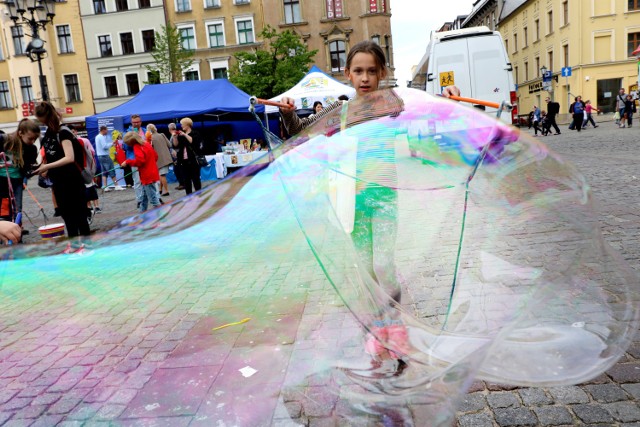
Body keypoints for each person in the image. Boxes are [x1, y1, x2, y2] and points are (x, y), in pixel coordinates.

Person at [280, 40, 460, 305]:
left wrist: (446, 94)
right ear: (348, 74)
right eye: (359, 71)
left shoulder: (394, 103)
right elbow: (300, 131)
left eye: (372, 71)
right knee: (366, 269)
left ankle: (394, 314)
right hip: (353, 203)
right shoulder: (340, 112)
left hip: (384, 198)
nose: (365, 78)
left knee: (384, 266)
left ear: (382, 74)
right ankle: (380, 323)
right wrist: (287, 113)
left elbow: (427, 109)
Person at [33, 101, 90, 238]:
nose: (38, 121)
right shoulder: (48, 134)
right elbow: (51, 156)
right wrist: (42, 167)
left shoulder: (63, 132)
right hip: (58, 183)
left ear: (45, 117)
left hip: (72, 181)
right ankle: (76, 249)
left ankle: (88, 249)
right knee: (68, 218)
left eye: (39, 118)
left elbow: (69, 157)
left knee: (80, 218)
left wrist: (47, 166)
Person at [0, 119, 40, 222]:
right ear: (20, 133)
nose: (32, 141)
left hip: (17, 181)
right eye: (30, 138)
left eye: (35, 139)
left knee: (17, 208)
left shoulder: (31, 149)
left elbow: (28, 167)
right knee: (4, 209)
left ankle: (17, 231)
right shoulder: (4, 140)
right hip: (2, 180)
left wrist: (34, 170)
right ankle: (6, 232)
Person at [118, 132, 160, 212]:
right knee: (144, 197)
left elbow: (140, 161)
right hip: (152, 172)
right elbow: (155, 156)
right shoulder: (147, 144)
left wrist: (128, 162)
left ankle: (162, 218)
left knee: (153, 199)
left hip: (147, 176)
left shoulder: (137, 146)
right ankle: (142, 215)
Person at [172, 118, 204, 195]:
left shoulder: (195, 133)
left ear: (187, 124)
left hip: (193, 160)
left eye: (182, 124)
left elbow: (193, 141)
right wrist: (175, 137)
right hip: (183, 161)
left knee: (196, 179)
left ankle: (199, 195)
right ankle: (189, 197)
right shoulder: (181, 135)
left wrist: (185, 134)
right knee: (186, 180)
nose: (181, 125)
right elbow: (175, 145)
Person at [147, 124, 174, 197]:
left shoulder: (151, 139)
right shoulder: (162, 135)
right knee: (162, 175)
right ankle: (160, 189)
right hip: (166, 158)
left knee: (162, 175)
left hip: (158, 160)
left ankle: (166, 191)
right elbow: (170, 145)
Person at [125, 114, 146, 207]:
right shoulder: (128, 132)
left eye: (138, 122)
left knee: (148, 179)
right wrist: (133, 139)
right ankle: (139, 199)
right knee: (137, 181)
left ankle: (152, 196)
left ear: (141, 122)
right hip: (134, 159)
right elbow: (125, 147)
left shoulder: (145, 131)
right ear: (131, 122)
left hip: (146, 159)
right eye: (134, 122)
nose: (136, 124)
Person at [95, 126, 122, 191]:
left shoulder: (97, 137)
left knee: (104, 172)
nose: (107, 132)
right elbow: (104, 146)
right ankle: (116, 185)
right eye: (106, 130)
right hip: (105, 156)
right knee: (111, 170)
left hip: (100, 156)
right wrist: (112, 144)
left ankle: (105, 186)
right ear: (103, 130)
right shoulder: (101, 137)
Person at [168, 123, 185, 191]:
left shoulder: (174, 135)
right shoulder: (176, 133)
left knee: (178, 170)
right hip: (177, 154)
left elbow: (175, 145)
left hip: (177, 155)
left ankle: (182, 184)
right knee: (178, 170)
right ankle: (182, 183)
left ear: (169, 129)